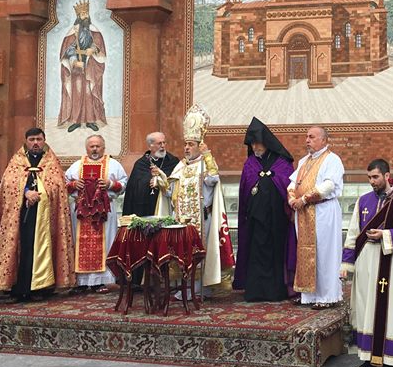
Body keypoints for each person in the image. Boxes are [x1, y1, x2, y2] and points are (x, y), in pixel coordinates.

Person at [342, 159, 393, 367]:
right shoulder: (363, 201)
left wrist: (385, 235)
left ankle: (390, 360)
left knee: (392, 309)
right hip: (367, 264)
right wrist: (346, 264)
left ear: (387, 176)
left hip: (392, 265)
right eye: (369, 178)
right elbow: (353, 232)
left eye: (375, 177)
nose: (372, 182)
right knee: (367, 309)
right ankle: (366, 358)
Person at [0, 127, 75, 301]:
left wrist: (41, 193)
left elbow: (58, 186)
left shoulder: (52, 163)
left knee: (40, 248)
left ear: (44, 140)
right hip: (20, 215)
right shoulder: (17, 161)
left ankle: (40, 288)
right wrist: (25, 192)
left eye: (39, 139)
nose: (36, 143)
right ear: (26, 141)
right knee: (20, 248)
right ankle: (17, 288)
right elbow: (8, 184)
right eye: (32, 139)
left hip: (45, 217)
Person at [154, 105, 233, 295]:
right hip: (181, 220)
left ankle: (200, 290)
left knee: (199, 254)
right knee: (182, 255)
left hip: (201, 220)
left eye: (191, 144)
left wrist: (208, 156)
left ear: (199, 146)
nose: (187, 148)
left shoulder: (205, 165)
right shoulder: (180, 166)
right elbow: (169, 193)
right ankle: (185, 289)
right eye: (185, 144)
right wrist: (162, 181)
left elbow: (214, 179)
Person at [234, 117, 296, 302]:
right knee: (256, 252)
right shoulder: (250, 163)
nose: (254, 147)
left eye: (257, 142)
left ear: (267, 142)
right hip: (254, 219)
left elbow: (287, 184)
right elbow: (245, 188)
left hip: (276, 219)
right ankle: (255, 291)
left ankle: (275, 291)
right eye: (251, 144)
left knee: (274, 252)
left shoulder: (282, 162)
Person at [288, 126, 345, 308]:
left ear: (323, 140)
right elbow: (292, 183)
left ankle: (327, 297)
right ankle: (309, 295)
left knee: (324, 253)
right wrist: (291, 197)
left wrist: (303, 199)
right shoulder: (305, 161)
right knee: (306, 252)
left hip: (323, 211)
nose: (307, 140)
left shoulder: (332, 159)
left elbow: (328, 185)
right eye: (306, 137)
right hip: (304, 213)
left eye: (311, 137)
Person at [65, 135, 127, 292]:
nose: (94, 149)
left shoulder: (113, 164)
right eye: (91, 146)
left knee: (105, 243)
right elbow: (63, 184)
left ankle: (101, 281)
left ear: (104, 148)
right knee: (79, 243)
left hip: (104, 213)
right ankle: (81, 282)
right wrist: (73, 184)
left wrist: (110, 184)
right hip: (81, 214)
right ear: (86, 148)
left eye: (98, 146)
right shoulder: (77, 165)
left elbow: (124, 183)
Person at [57, 0, 107, 132]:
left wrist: (94, 50)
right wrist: (74, 60)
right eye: (82, 14)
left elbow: (99, 46)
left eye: (86, 13)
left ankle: (91, 120)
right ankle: (75, 121)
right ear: (78, 16)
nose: (84, 16)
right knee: (77, 92)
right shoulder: (73, 32)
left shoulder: (93, 31)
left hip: (91, 64)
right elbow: (67, 50)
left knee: (89, 92)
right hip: (77, 67)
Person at [122, 132, 179, 218]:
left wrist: (160, 181)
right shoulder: (141, 164)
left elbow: (177, 182)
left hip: (167, 209)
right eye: (159, 143)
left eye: (164, 142)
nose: (163, 146)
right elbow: (133, 189)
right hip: (145, 209)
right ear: (150, 146)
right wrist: (149, 181)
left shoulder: (173, 161)